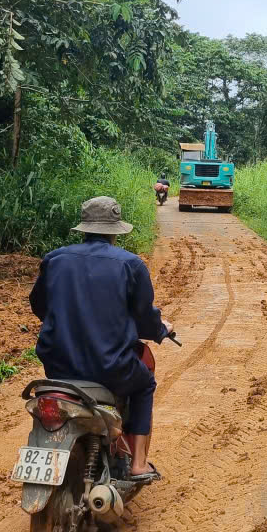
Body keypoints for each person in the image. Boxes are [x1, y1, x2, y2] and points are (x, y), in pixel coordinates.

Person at [29, 197, 172, 482]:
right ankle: (139, 464)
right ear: (115, 232)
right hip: (111, 368)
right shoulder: (130, 265)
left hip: (58, 367)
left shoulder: (55, 259)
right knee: (145, 384)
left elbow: (39, 307)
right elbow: (144, 317)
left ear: (83, 229)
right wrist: (161, 330)